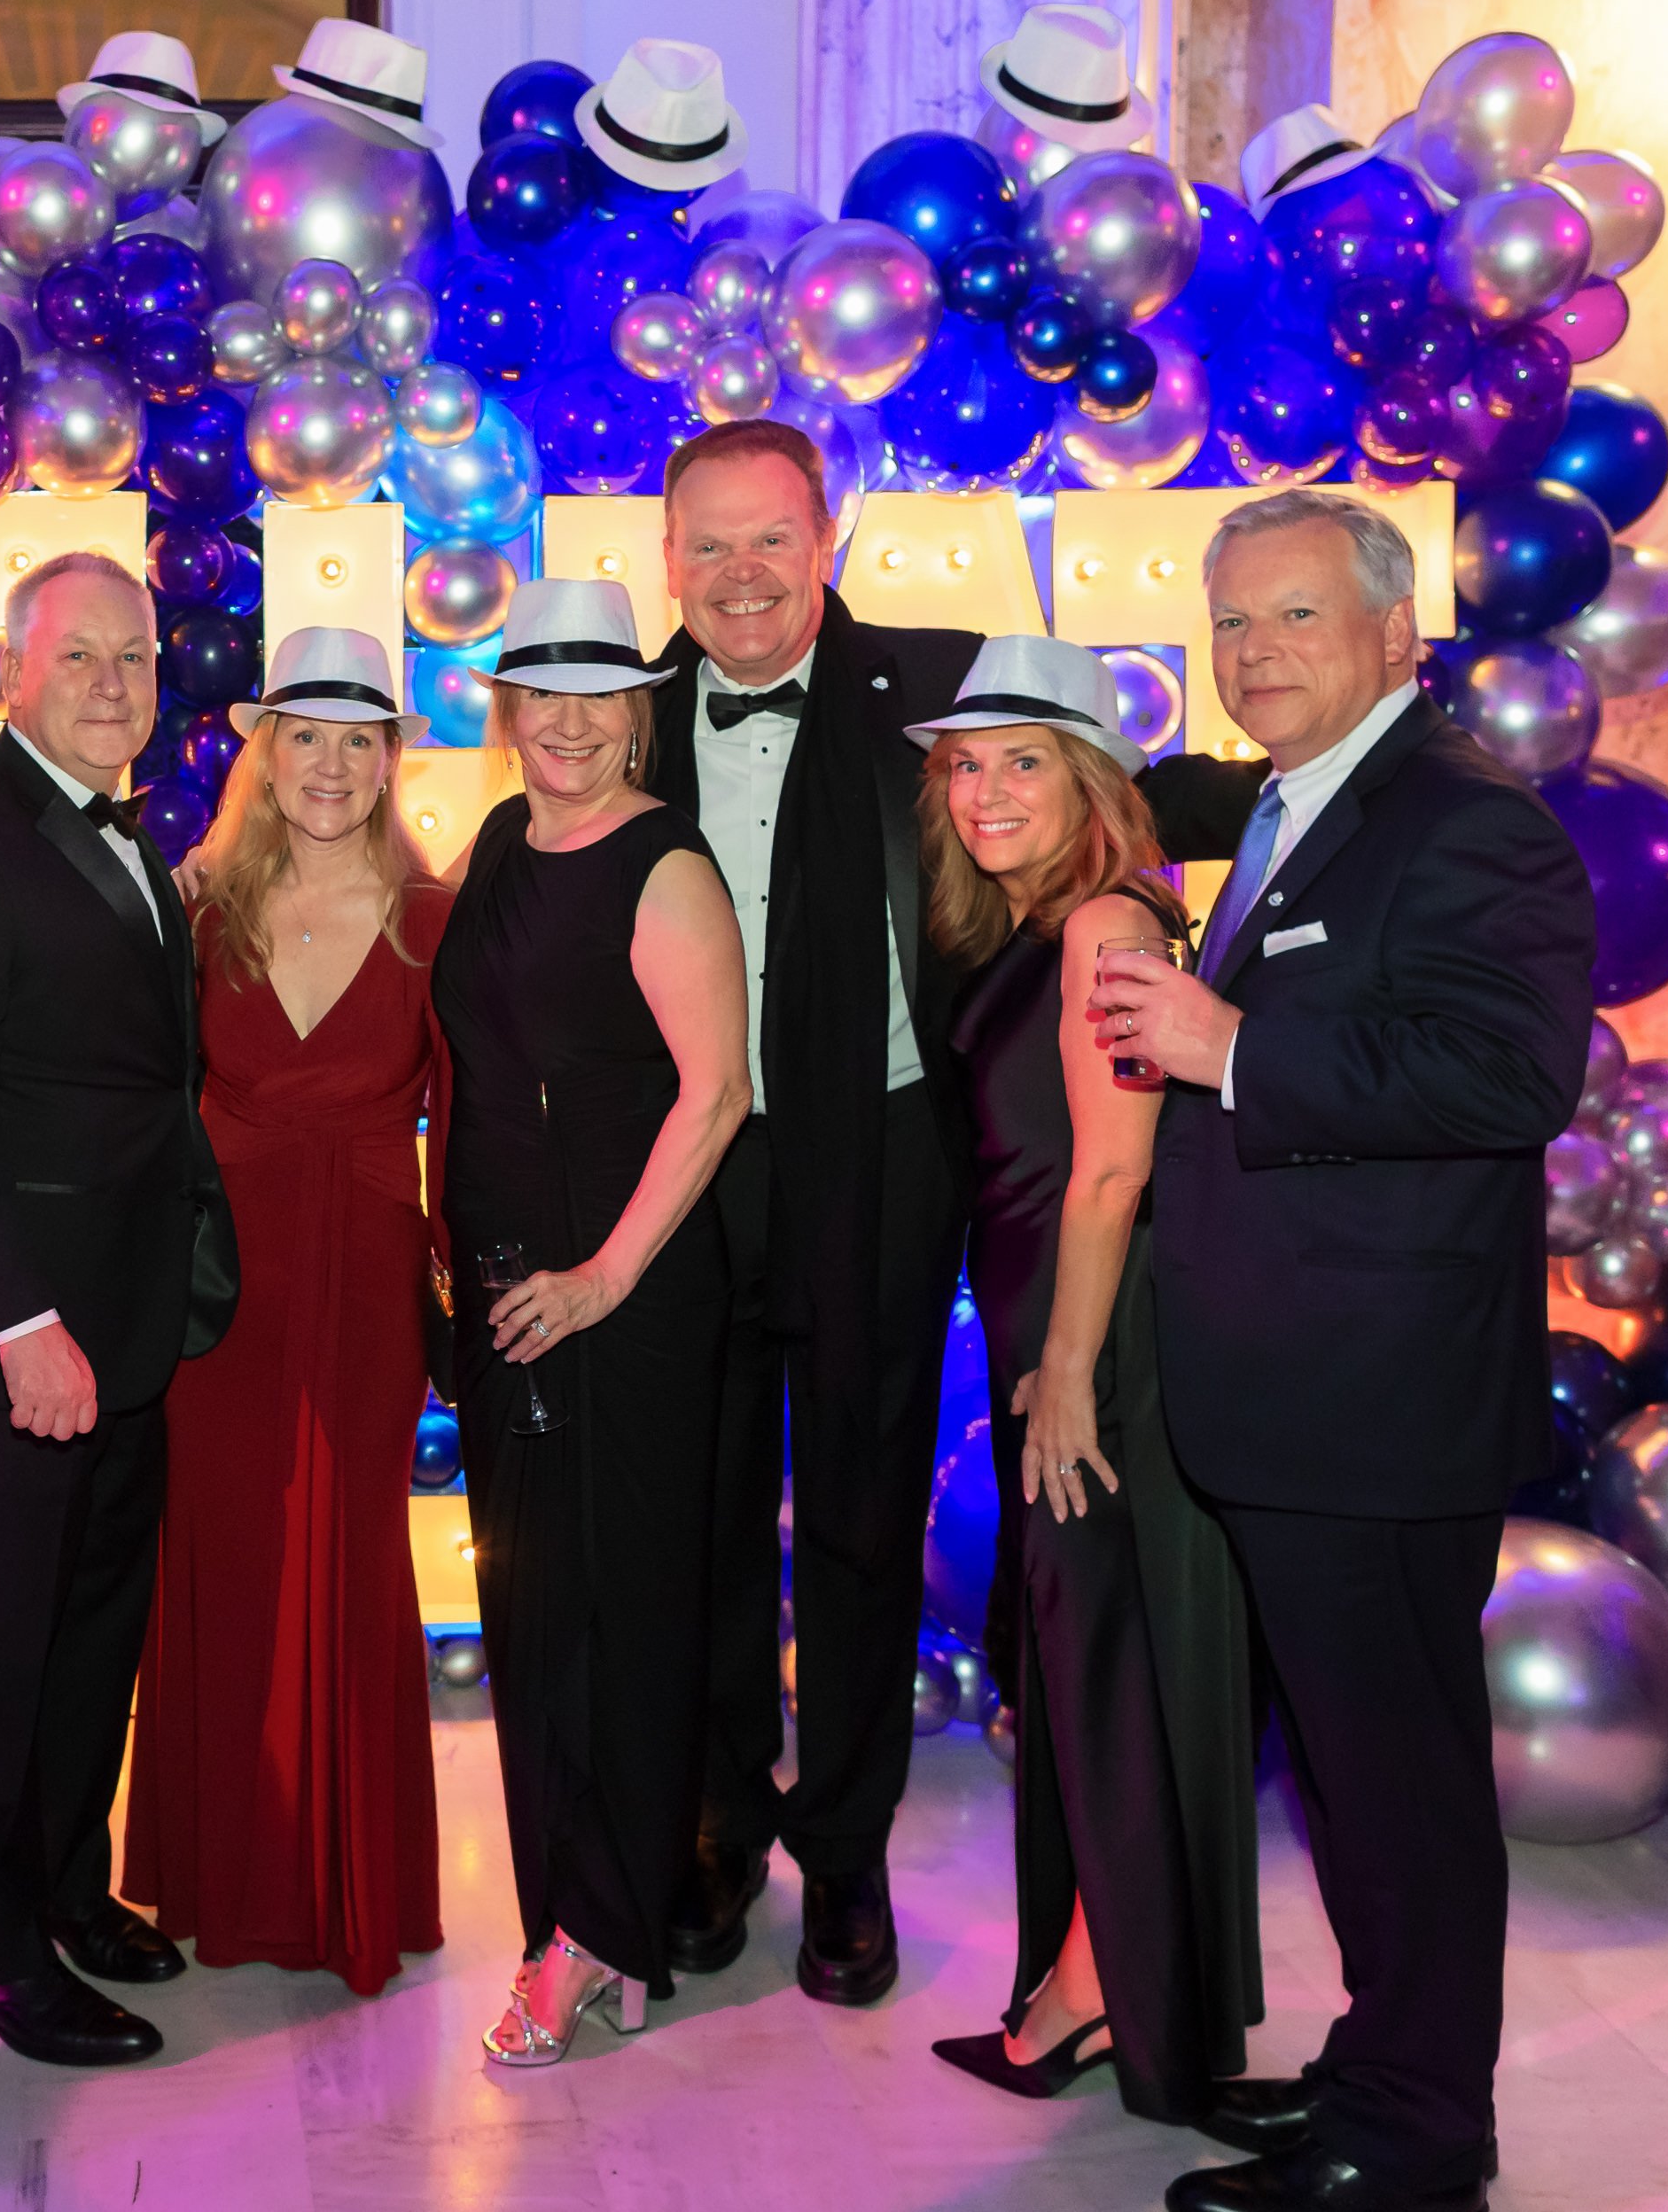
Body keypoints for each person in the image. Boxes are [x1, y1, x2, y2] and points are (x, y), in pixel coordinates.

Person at [636, 420, 1259, 2006]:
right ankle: (713, 1828)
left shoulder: (938, 686)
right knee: (694, 1524)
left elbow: (1126, 783)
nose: (740, 574)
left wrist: (1317, 782)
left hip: (886, 1164)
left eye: (770, 537)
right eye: (706, 544)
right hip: (689, 1174)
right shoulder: (619, 719)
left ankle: (844, 1853)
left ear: (827, 538)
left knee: (859, 1519)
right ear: (666, 561)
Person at [1091, 489, 1592, 2212]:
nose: (1253, 652)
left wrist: (1232, 1043)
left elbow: (1509, 1078)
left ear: (1399, 633)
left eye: (1295, 617)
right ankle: (1386, 2068)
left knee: (1405, 1790)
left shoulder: (1468, 821)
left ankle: (1419, 2138)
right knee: (1363, 1781)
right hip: (1301, 1400)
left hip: (1378, 1407)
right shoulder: (1308, 805)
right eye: (1231, 623)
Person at [0, 549, 237, 2068]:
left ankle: (70, 1892)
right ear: (13, 669)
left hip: (126, 1320)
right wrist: (20, 1325)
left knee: (88, 1642)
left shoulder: (135, 837)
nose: (115, 686)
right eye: (81, 659)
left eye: (135, 659)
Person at [904, 636, 1260, 2133]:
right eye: (966, 765)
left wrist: (1059, 1375)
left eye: (1022, 761)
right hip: (1068, 1320)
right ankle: (1089, 1977)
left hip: (1103, 1341)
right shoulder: (1051, 919)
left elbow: (1112, 1173)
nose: (985, 792)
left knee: (1121, 1667)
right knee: (1090, 1666)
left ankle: (1106, 1995)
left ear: (1096, 781)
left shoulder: (1106, 921)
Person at [433, 577, 752, 2066]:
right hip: (505, 1299)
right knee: (536, 1616)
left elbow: (717, 1095)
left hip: (617, 1299)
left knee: (622, 1618)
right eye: (537, 694)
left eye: (595, 697)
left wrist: (604, 1281)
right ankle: (569, 1907)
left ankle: (606, 1932)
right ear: (508, 713)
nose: (564, 723)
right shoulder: (502, 842)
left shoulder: (665, 864)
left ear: (637, 715)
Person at [121, 627, 448, 1997]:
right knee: (223, 1554)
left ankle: (345, 1883)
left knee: (354, 1557)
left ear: (388, 760)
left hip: (369, 1277)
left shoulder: (439, 924)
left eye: (358, 739)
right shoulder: (194, 912)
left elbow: (480, 1117)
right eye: (304, 735)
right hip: (220, 1290)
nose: (330, 763)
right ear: (265, 752)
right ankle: (217, 1871)